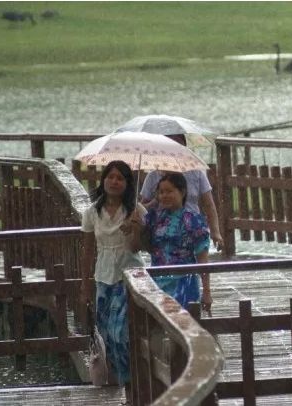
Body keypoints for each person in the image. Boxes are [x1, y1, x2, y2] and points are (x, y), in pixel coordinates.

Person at [80, 160, 146, 398]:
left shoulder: (135, 210)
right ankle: (119, 383)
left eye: (120, 178)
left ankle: (130, 384)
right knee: (106, 334)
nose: (115, 181)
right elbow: (88, 251)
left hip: (128, 277)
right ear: (103, 180)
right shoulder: (92, 212)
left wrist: (135, 229)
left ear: (127, 184)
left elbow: (139, 248)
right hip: (103, 277)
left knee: (121, 333)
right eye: (111, 177)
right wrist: (85, 285)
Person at [132, 172, 212, 312]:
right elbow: (141, 246)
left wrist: (206, 291)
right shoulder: (153, 218)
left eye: (169, 191)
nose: (164, 196)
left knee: (183, 326)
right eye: (161, 192)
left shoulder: (193, 221)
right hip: (157, 282)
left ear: (182, 192)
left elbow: (202, 259)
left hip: (184, 283)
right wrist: (137, 228)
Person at [140, 133, 224, 250]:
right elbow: (142, 209)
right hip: (162, 230)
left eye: (178, 147)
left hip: (191, 228)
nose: (174, 152)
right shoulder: (153, 176)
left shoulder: (196, 172)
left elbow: (209, 204)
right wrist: (155, 201)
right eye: (169, 147)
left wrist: (215, 232)